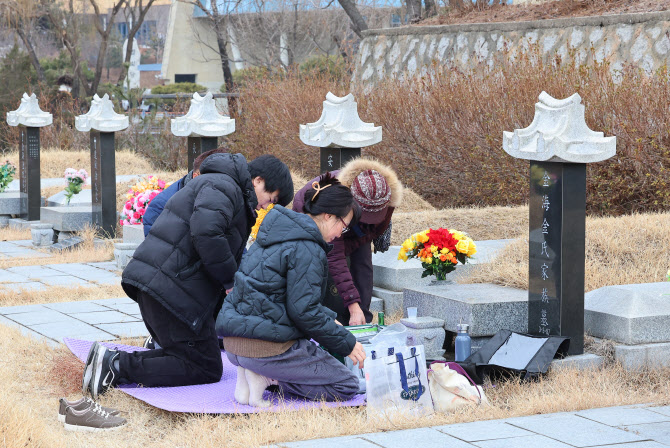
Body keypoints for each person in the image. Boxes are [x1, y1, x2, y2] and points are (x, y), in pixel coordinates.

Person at [81, 153, 294, 399]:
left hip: (169, 286)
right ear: (258, 181)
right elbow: (207, 232)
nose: (266, 205)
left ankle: (112, 360)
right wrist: (229, 282)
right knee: (203, 365)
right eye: (271, 198)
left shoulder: (224, 186)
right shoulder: (224, 185)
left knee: (200, 358)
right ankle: (115, 366)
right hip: (168, 288)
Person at [217, 174, 365, 407]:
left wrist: (331, 319)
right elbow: (303, 312)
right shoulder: (307, 247)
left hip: (234, 345)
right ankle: (267, 377)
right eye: (343, 226)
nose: (339, 234)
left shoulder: (274, 233)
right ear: (328, 216)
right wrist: (346, 343)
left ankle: (252, 374)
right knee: (345, 385)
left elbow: (282, 297)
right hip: (264, 346)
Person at [292, 158, 403, 325]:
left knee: (363, 267)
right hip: (319, 229)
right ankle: (329, 322)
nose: (371, 219)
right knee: (327, 272)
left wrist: (360, 308)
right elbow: (335, 256)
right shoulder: (332, 201)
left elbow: (373, 232)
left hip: (355, 230)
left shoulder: (387, 196)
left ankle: (361, 323)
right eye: (365, 214)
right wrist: (352, 304)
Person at [142, 147, 229, 237]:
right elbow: (156, 247)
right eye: (213, 178)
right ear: (196, 176)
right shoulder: (161, 205)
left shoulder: (225, 196)